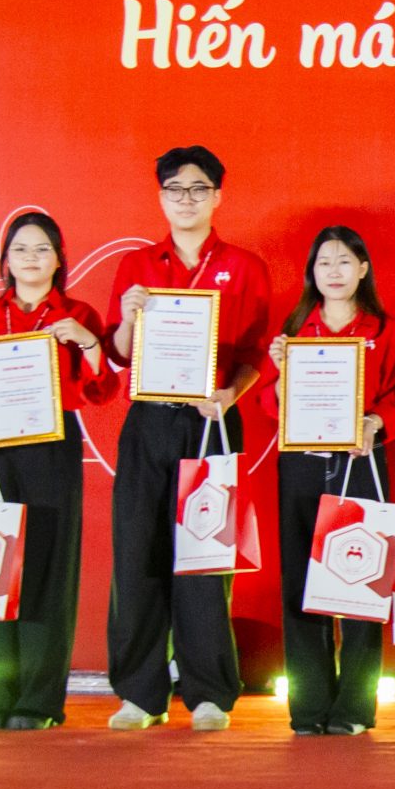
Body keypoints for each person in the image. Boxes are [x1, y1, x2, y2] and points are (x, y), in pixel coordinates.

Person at [104, 146, 272, 732]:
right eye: (175, 189)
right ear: (161, 197)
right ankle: (139, 694)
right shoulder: (136, 265)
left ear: (217, 196)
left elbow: (255, 353)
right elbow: (118, 353)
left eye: (198, 189)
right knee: (137, 555)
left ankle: (209, 693)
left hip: (212, 421)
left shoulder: (244, 267)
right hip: (149, 421)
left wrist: (229, 396)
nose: (187, 199)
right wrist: (129, 318)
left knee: (205, 558)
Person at [0, 211, 117, 730]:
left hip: (50, 450)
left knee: (47, 572)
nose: (30, 258)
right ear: (5, 260)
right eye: (20, 249)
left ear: (59, 259)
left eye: (42, 249)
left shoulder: (78, 314)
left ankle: (39, 701)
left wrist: (88, 343)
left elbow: (101, 391)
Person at [262, 225, 395, 736]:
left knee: (361, 587)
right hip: (303, 465)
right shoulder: (295, 330)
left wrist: (376, 422)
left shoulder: (383, 331)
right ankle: (308, 707)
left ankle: (353, 708)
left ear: (363, 269)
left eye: (345, 261)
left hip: (360, 464)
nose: (334, 271)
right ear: (312, 272)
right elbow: (270, 405)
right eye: (324, 262)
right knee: (301, 588)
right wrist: (280, 372)